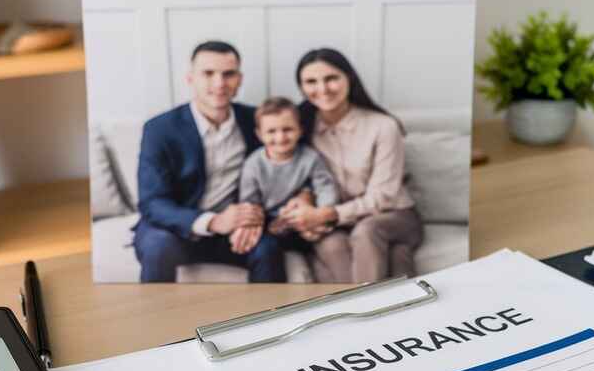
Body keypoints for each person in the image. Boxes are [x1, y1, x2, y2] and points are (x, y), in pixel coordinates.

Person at [134, 41, 286, 282]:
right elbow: (152, 202)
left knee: (268, 248)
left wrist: (253, 217)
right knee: (157, 245)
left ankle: (273, 318)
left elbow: (281, 173)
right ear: (190, 78)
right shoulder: (159, 129)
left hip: (235, 230)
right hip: (177, 228)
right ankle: (156, 318)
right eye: (208, 73)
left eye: (228, 74)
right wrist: (214, 222)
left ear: (239, 79)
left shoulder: (255, 121)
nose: (219, 83)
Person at [281, 48, 423, 283]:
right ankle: (364, 309)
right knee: (332, 245)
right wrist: (304, 202)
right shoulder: (301, 127)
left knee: (367, 231)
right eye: (311, 82)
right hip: (336, 222)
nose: (322, 89)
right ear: (302, 88)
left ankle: (367, 308)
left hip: (393, 215)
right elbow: (299, 176)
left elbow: (384, 197)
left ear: (349, 78)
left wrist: (328, 214)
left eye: (331, 78)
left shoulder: (383, 126)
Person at [232, 97, 339, 258]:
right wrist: (255, 221)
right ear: (259, 135)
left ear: (300, 130)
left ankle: (308, 235)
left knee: (319, 231)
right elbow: (249, 199)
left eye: (287, 129)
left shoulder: (310, 157)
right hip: (269, 219)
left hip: (302, 213)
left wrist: (322, 211)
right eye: (271, 131)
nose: (280, 138)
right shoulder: (253, 164)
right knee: (266, 239)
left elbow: (325, 186)